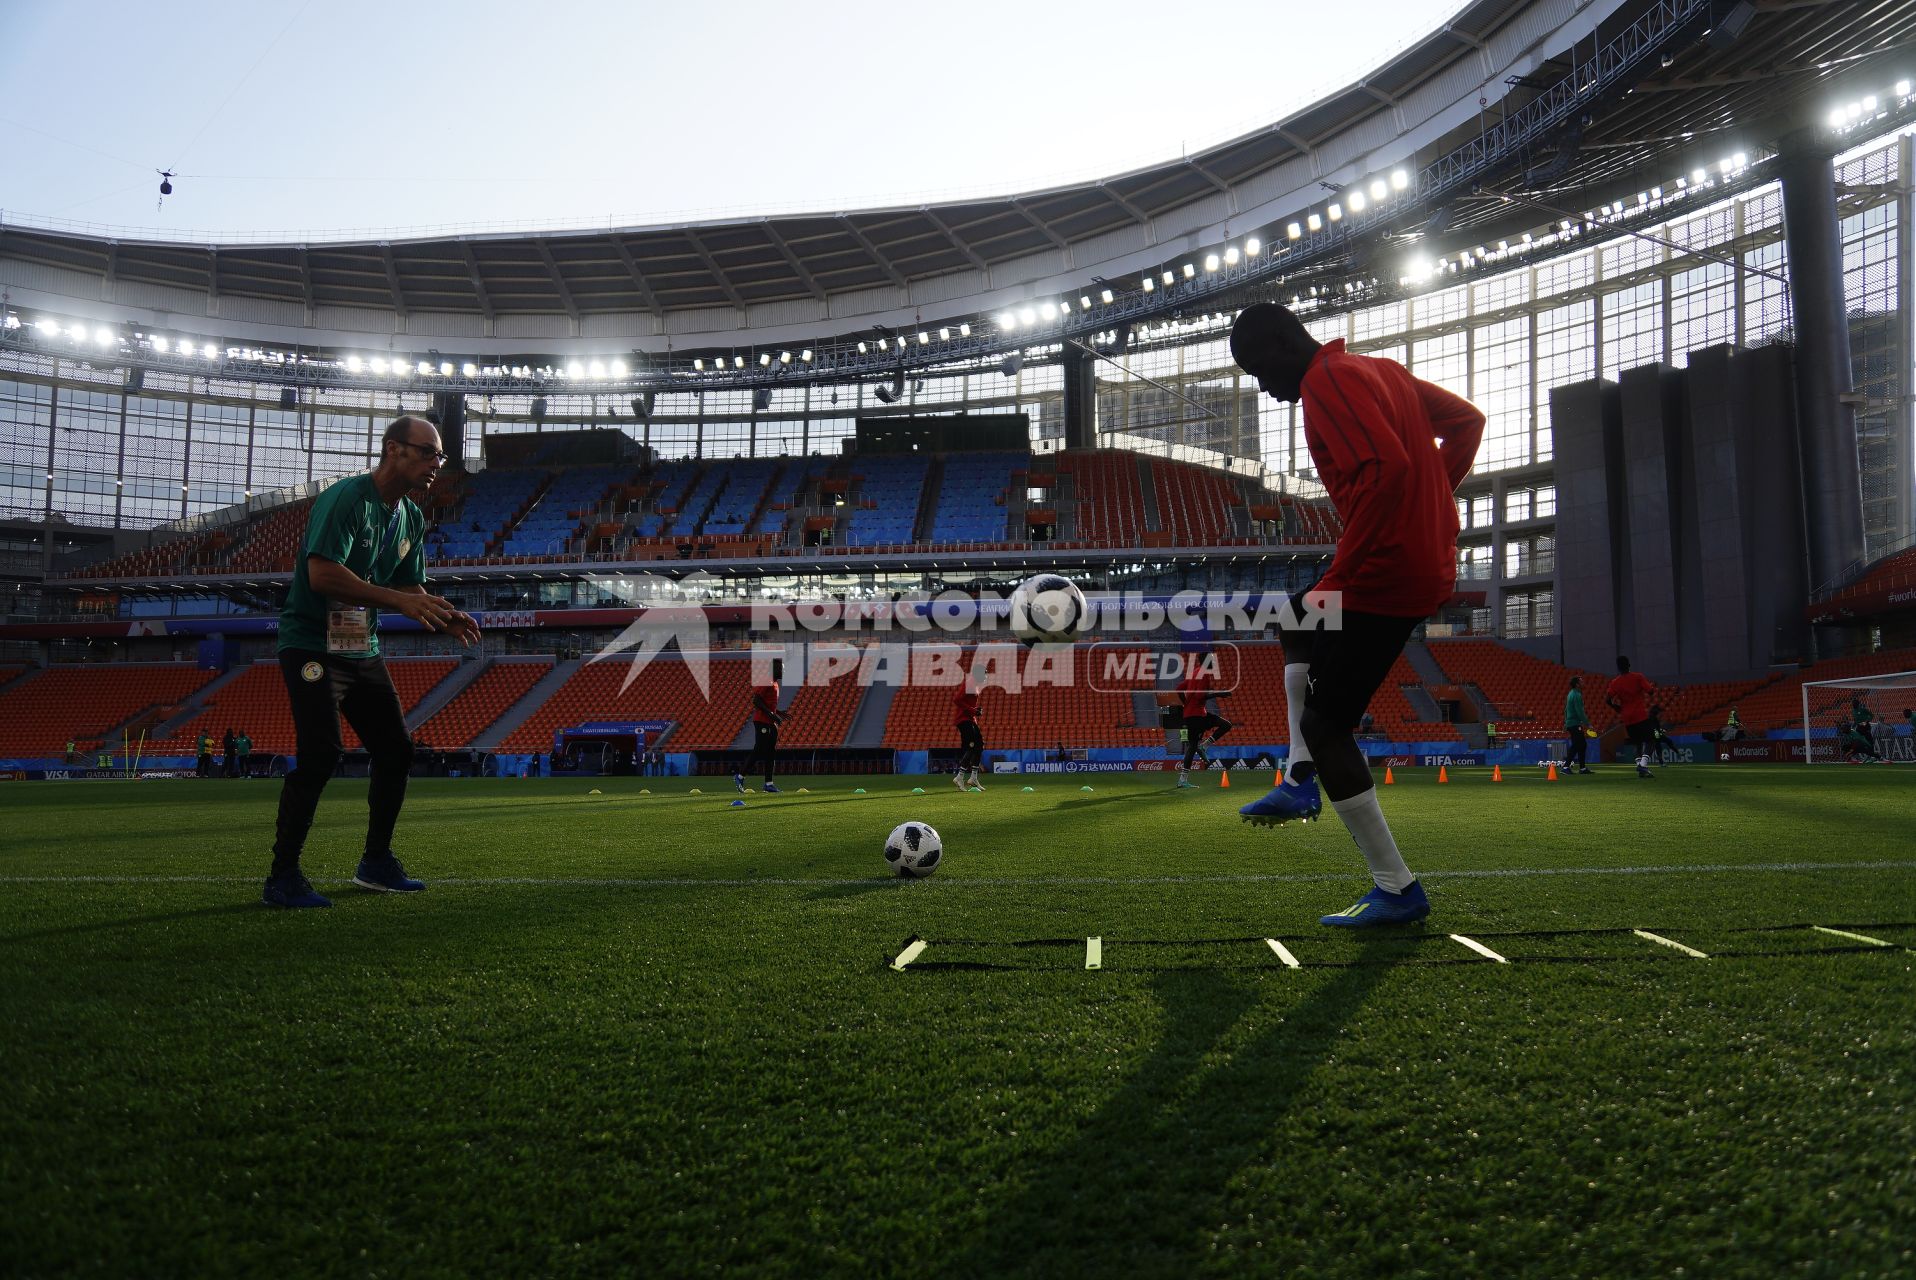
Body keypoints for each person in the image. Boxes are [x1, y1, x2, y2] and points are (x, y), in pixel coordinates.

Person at [1228, 301, 1484, 928]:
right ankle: (1297, 775)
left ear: (1287, 341)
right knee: (1293, 623)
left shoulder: (1326, 381)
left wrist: (1343, 573)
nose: (1266, 387)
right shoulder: (1382, 371)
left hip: (1385, 571)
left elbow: (1388, 469)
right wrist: (1433, 498)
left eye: (1260, 369)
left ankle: (1396, 887)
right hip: (1414, 560)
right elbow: (1468, 423)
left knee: (1325, 724)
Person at [262, 415, 480, 909]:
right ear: (393, 450)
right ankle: (283, 874)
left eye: (439, 456)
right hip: (311, 647)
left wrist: (439, 613)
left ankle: (376, 862)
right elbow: (322, 575)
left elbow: (407, 585)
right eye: (428, 453)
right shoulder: (345, 499)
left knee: (396, 749)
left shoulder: (410, 517)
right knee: (321, 754)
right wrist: (399, 602)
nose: (437, 465)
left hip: (360, 648)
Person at [1175, 655, 1234, 788]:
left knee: (1192, 747)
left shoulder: (1195, 671)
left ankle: (1182, 780)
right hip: (1198, 716)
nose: (1214, 663)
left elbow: (1179, 688)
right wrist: (1219, 694)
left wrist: (1186, 704)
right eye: (1213, 660)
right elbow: (1199, 695)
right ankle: (1205, 746)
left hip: (1189, 716)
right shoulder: (1204, 674)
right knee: (1226, 725)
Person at [735, 660, 783, 794]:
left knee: (771, 752)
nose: (783, 671)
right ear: (774, 669)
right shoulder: (766, 680)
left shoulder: (775, 683)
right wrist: (771, 715)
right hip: (762, 721)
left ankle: (769, 784)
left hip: (770, 722)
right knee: (760, 749)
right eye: (781, 668)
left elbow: (768, 703)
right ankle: (739, 776)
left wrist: (777, 713)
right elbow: (756, 700)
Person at [1605, 655, 1657, 778]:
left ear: (1618, 668)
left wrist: (1616, 707)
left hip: (1627, 718)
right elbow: (1650, 691)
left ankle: (1641, 769)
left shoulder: (1615, 682)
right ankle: (1643, 765)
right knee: (1651, 740)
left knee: (1637, 743)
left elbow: (1607, 700)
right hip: (1640, 715)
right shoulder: (1638, 677)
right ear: (1629, 665)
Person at [952, 676, 985, 792]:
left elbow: (968, 703)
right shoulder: (969, 683)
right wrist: (972, 710)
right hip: (963, 720)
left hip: (970, 719)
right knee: (972, 747)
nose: (985, 677)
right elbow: (957, 699)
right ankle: (959, 777)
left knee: (979, 746)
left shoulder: (975, 685)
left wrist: (976, 710)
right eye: (984, 674)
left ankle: (973, 778)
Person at [1562, 676, 1592, 773]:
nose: (1583, 682)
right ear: (1577, 684)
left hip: (1572, 723)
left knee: (1582, 744)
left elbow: (1566, 710)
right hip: (1574, 723)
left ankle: (1582, 768)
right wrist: (1587, 724)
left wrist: (1566, 722)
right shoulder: (1577, 695)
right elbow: (1580, 712)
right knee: (1577, 745)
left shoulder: (1571, 694)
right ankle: (1566, 767)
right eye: (1581, 681)